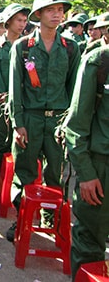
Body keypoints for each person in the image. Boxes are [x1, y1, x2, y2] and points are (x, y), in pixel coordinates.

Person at [7, 0, 81, 239]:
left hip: (58, 121)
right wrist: (18, 124)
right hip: (30, 118)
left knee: (56, 173)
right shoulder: (22, 47)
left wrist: (70, 124)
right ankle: (22, 219)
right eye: (51, 9)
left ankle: (52, 220)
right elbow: (14, 88)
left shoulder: (71, 48)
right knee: (24, 173)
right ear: (38, 14)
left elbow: (73, 90)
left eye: (60, 9)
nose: (57, 14)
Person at [61, 45, 109, 280]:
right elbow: (76, 126)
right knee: (90, 244)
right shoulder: (99, 62)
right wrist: (87, 174)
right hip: (101, 168)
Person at [0, 3, 30, 162]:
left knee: (22, 148)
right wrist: (7, 98)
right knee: (0, 148)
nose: (22, 24)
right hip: (1, 104)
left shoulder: (27, 46)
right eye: (18, 20)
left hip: (23, 104)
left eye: (24, 21)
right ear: (9, 21)